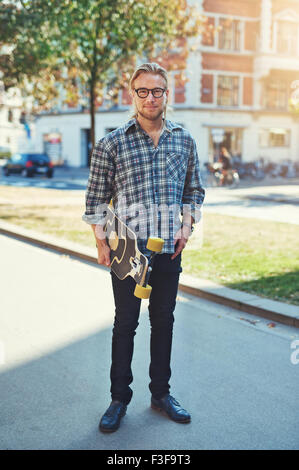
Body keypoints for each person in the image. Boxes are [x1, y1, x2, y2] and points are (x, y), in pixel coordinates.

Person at [82, 62, 205, 433]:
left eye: (157, 91)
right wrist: (101, 244)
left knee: (163, 322)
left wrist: (187, 224)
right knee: (125, 325)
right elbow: (96, 202)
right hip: (128, 250)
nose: (150, 98)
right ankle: (119, 398)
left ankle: (161, 394)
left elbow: (193, 190)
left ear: (167, 94)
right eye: (143, 91)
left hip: (169, 249)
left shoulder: (184, 140)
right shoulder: (112, 143)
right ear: (131, 94)